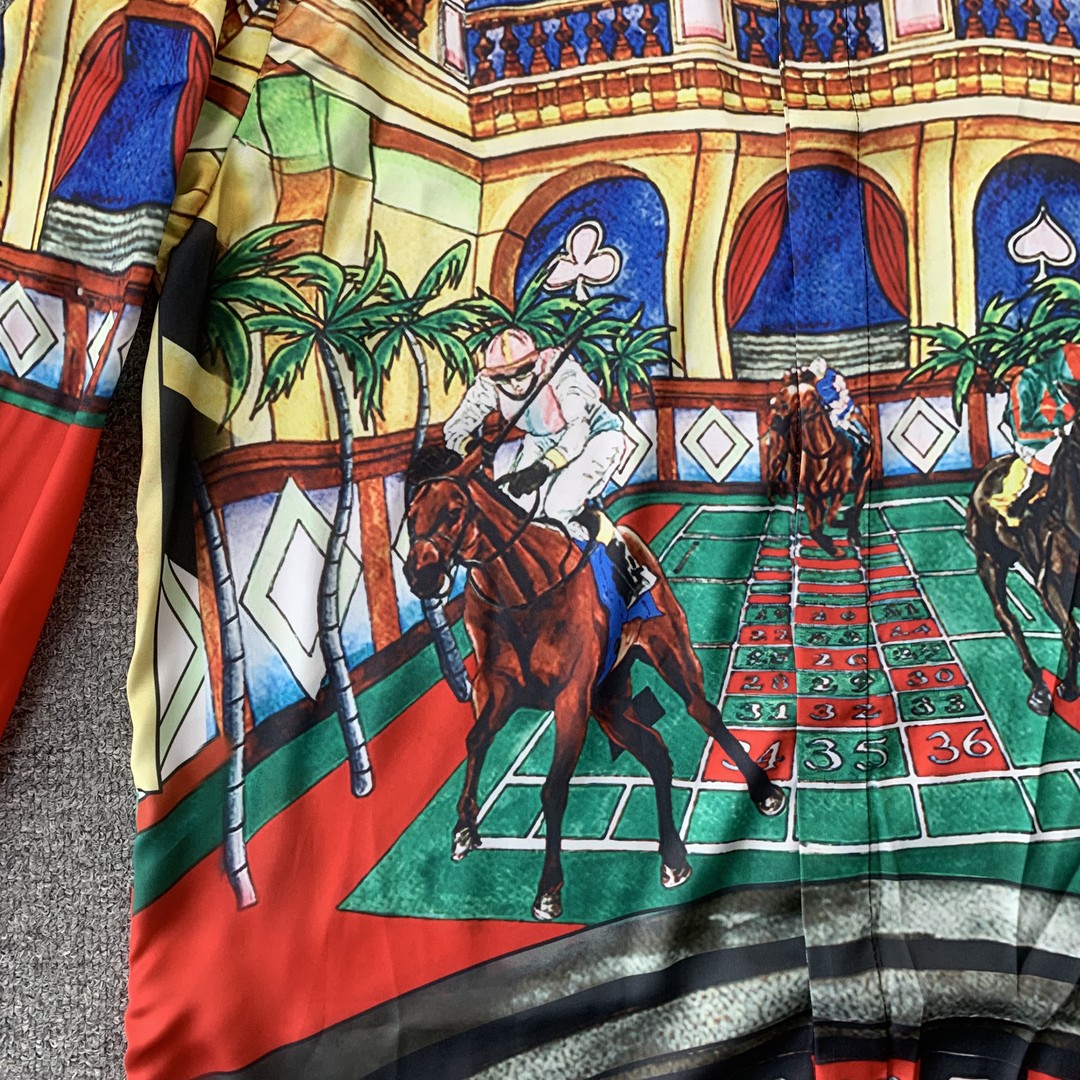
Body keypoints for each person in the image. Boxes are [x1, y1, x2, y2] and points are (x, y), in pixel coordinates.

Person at [443, 327, 655, 603]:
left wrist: (543, 468)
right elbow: (454, 429)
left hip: (595, 436)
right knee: (516, 510)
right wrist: (470, 447)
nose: (515, 384)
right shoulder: (489, 385)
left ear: (534, 362)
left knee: (558, 507)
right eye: (504, 378)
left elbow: (578, 430)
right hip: (542, 440)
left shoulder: (560, 370)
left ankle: (626, 567)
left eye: (522, 373)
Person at [990, 342, 1080, 526]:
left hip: (1070, 435)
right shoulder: (1026, 382)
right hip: (1034, 441)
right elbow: (1021, 431)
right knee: (1053, 457)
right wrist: (1058, 432)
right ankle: (1020, 504)